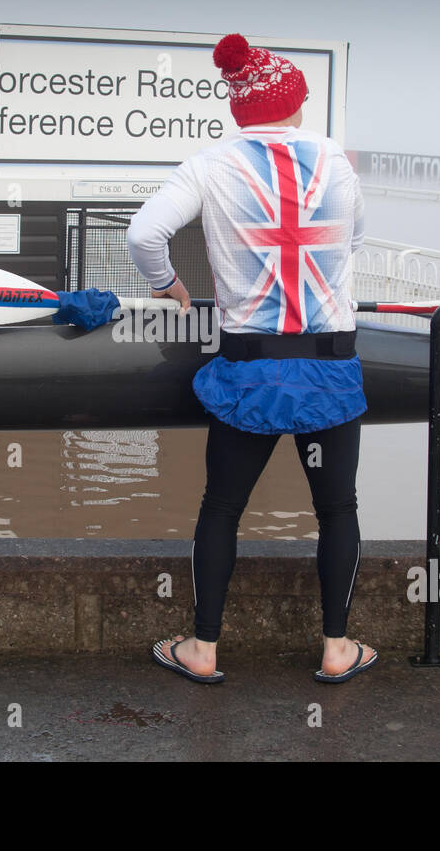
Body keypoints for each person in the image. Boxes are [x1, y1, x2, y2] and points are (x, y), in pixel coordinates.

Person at [126, 33, 376, 685]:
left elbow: (144, 233)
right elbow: (355, 239)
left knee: (222, 508)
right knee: (338, 511)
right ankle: (336, 648)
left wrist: (167, 287)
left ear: (240, 110)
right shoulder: (335, 161)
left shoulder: (209, 164)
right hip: (329, 369)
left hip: (250, 374)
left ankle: (204, 650)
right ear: (294, 105)